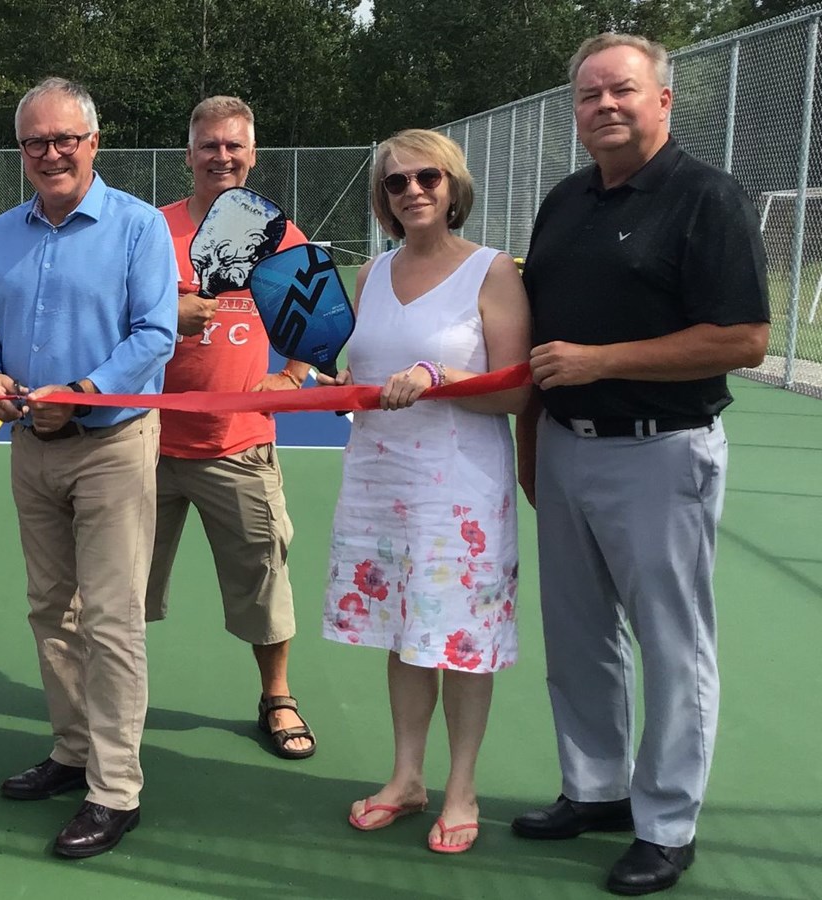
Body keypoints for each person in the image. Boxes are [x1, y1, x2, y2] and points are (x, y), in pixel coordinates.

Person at [511, 34, 769, 895]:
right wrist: (531, 441)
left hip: (661, 450)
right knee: (579, 639)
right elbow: (541, 334)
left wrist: (601, 362)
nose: (605, 107)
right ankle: (595, 791)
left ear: (663, 99)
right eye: (589, 96)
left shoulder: (706, 198)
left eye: (622, 91)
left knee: (671, 644)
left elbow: (742, 338)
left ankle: (666, 824)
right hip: (566, 450)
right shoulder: (565, 200)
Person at [0, 77, 177, 858]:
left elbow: (155, 334)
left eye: (65, 139)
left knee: (113, 619)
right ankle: (73, 749)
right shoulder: (2, 233)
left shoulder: (138, 226)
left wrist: (83, 394)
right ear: (21, 151)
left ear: (93, 142)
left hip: (112, 444)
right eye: (35, 142)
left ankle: (116, 790)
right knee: (52, 609)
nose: (51, 153)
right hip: (31, 447)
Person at [318, 128, 530, 855]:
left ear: (452, 186)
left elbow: (515, 391)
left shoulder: (492, 272)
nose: (411, 191)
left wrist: (440, 382)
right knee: (406, 635)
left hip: (461, 492)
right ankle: (406, 778)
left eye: (426, 178)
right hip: (382, 478)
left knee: (460, 642)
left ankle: (460, 787)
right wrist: (313, 383)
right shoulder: (371, 274)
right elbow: (364, 376)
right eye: (395, 183)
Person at [146, 95, 316, 761]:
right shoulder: (150, 232)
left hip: (239, 446)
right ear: (188, 156)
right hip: (146, 444)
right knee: (119, 585)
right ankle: (111, 700)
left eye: (233, 146)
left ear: (252, 156)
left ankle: (277, 695)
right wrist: (171, 310)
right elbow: (117, 317)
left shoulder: (279, 234)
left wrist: (295, 374)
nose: (221, 156)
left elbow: (315, 318)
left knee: (264, 579)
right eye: (208, 145)